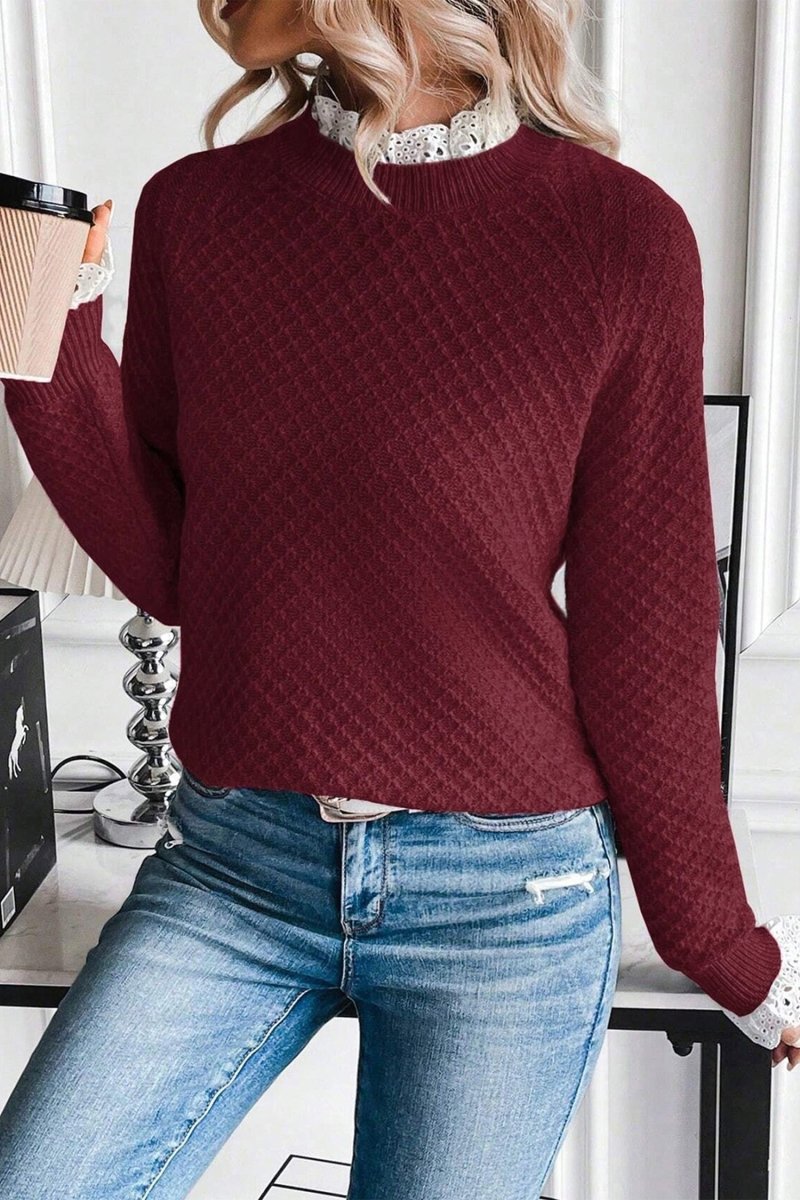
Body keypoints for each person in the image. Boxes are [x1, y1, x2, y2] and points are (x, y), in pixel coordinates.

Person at [1, 1, 798, 1197]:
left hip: (506, 897)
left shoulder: (616, 236)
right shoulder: (195, 211)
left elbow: (648, 630)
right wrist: (47, 338)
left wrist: (718, 943)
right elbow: (179, 572)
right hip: (236, 867)